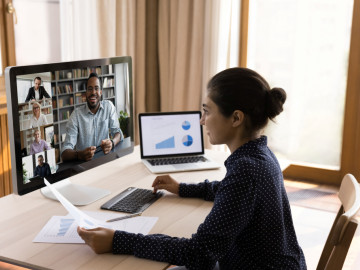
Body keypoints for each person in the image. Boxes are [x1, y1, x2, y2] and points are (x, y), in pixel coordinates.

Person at [77, 68, 307, 269]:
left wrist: (117, 240)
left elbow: (198, 254)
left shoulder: (246, 170)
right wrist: (182, 188)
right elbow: (228, 190)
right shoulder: (261, 155)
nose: (201, 120)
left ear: (236, 118)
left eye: (207, 111)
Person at [61, 73, 122, 162]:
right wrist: (79, 155)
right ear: (85, 93)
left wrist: (112, 143)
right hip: (85, 165)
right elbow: (64, 153)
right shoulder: (76, 115)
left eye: (96, 88)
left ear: (101, 92)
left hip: (106, 160)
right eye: (90, 89)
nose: (93, 92)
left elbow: (118, 132)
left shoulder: (109, 107)